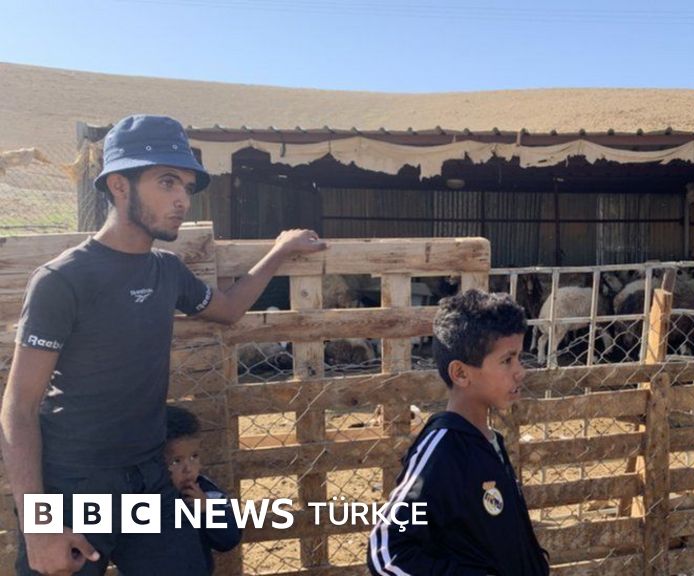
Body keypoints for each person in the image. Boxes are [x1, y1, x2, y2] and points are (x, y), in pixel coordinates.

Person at [2, 114, 326, 575]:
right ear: (119, 185)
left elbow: (229, 309)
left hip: (149, 478)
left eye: (187, 187)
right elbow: (18, 406)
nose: (182, 200)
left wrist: (279, 250)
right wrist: (39, 525)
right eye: (167, 182)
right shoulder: (63, 280)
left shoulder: (166, 270)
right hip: (75, 486)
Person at [367, 289, 549, 575]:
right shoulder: (442, 451)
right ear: (461, 373)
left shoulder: (489, 441)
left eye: (519, 357)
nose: (520, 371)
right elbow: (387, 550)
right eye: (507, 360)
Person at [164, 405, 241, 574]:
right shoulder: (142, 495)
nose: (188, 468)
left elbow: (230, 539)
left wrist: (208, 510)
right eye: (176, 461)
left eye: (194, 457)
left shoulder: (208, 494)